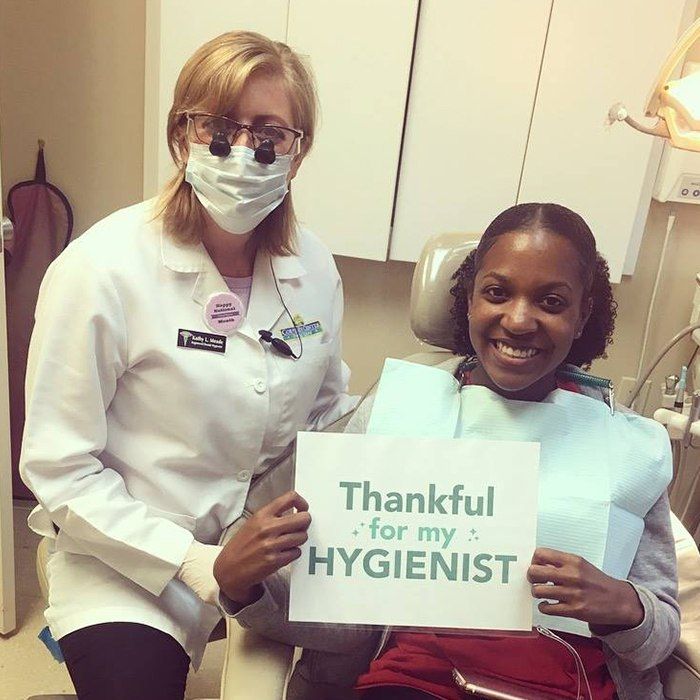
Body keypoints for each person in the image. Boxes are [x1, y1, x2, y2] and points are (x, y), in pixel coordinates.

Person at [214, 203, 680, 700]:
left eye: (551, 301)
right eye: (497, 293)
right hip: (415, 683)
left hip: (570, 685)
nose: (519, 320)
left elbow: (661, 637)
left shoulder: (628, 447)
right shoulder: (397, 414)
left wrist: (626, 607)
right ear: (469, 297)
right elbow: (343, 620)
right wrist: (243, 586)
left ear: (584, 312)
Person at [20, 30, 356, 700]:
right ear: (182, 136)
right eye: (219, 128)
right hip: (126, 557)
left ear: (297, 151)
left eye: (269, 134)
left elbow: (326, 418)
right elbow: (59, 467)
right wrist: (197, 562)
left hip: (268, 553)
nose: (244, 151)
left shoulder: (312, 266)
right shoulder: (101, 268)